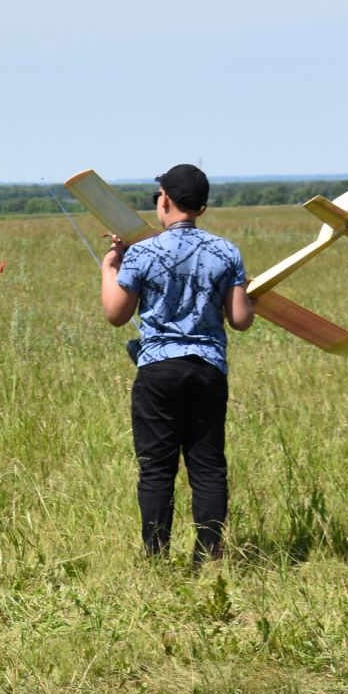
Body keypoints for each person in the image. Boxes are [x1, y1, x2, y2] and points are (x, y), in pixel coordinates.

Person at [100, 164, 254, 565]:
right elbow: (240, 320)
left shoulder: (143, 252)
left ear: (164, 199)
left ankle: (155, 558)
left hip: (157, 371)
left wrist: (110, 267)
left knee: (156, 470)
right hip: (208, 371)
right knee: (208, 468)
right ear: (201, 208)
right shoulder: (227, 251)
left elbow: (116, 314)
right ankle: (208, 560)